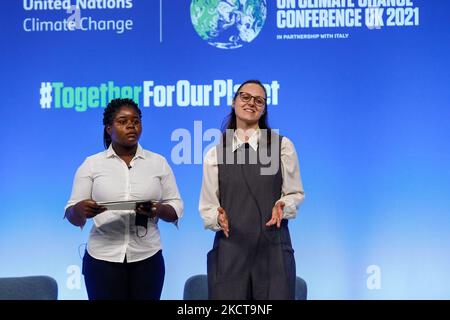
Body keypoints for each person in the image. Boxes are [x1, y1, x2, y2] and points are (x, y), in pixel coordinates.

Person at [64, 98, 183, 300]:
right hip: (102, 260)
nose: (131, 126)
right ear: (109, 128)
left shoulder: (158, 163)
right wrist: (79, 209)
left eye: (136, 121)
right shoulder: (92, 164)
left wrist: (158, 210)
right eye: (122, 121)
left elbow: (175, 207)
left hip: (148, 259)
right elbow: (71, 214)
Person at [199, 80, 305, 300]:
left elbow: (295, 193)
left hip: (273, 251)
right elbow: (208, 206)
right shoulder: (216, 154)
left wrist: (282, 205)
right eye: (245, 97)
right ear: (234, 102)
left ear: (264, 107)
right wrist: (217, 217)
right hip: (230, 252)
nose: (251, 103)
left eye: (259, 100)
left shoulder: (282, 146)